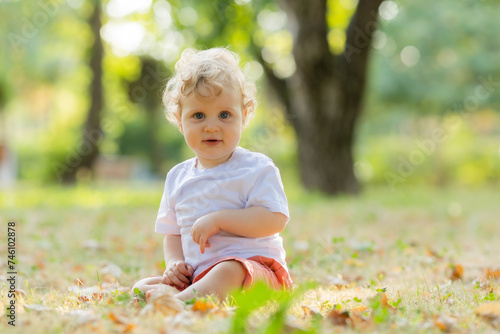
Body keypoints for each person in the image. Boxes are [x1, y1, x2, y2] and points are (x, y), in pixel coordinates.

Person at [132, 47, 292, 302]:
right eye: (198, 115)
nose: (212, 126)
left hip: (255, 272)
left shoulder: (256, 168)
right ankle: (186, 293)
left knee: (230, 269)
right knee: (142, 285)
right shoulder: (177, 177)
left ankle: (182, 301)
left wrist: (219, 219)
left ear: (244, 116)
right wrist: (175, 265)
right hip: (199, 275)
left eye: (225, 115)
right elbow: (173, 233)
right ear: (180, 120)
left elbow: (275, 219)